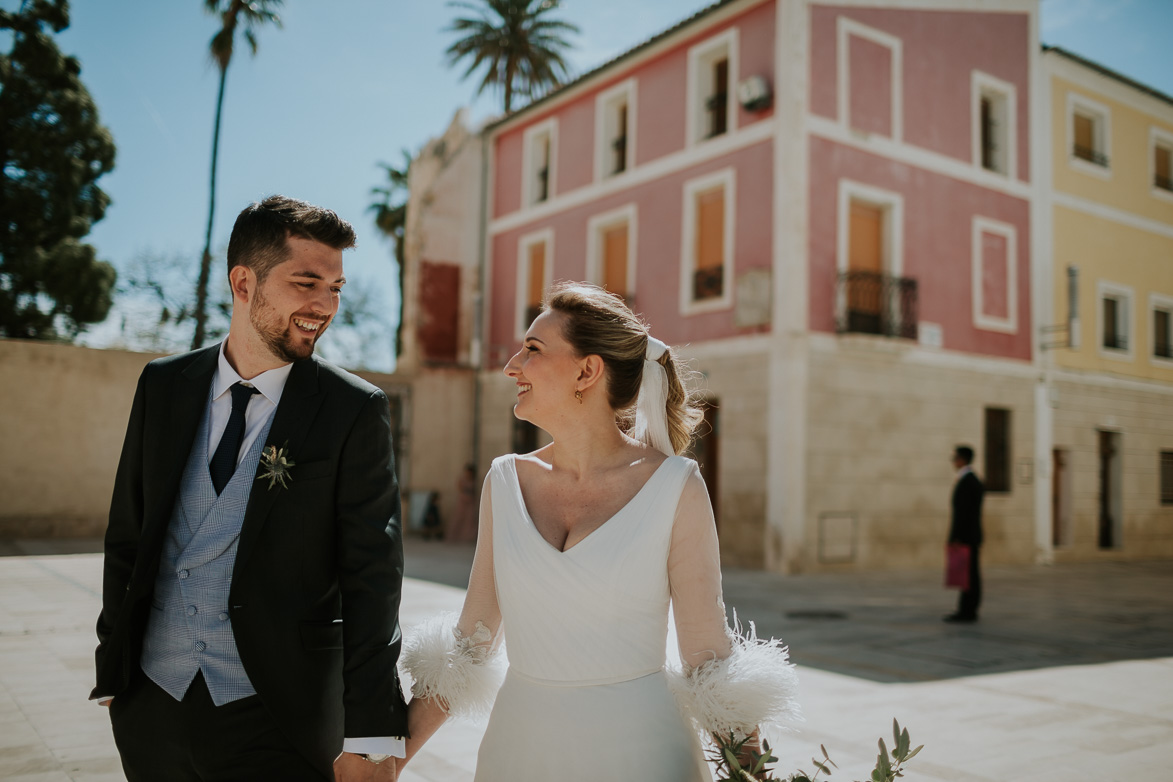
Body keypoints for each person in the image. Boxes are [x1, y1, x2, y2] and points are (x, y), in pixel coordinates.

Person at [395, 282, 799, 781]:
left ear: (587, 371)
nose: (511, 366)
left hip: (644, 754)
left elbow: (707, 657)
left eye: (533, 350)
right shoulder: (504, 481)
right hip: (517, 753)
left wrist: (755, 775)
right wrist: (391, 759)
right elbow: (470, 644)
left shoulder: (676, 486)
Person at [91, 195, 408, 781]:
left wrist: (371, 734)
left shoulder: (353, 409)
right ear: (244, 282)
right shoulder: (163, 385)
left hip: (279, 718)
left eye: (335, 288)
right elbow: (127, 534)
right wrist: (114, 669)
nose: (325, 305)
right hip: (152, 707)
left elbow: (373, 579)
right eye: (307, 282)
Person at [945, 445, 985, 623]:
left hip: (966, 536)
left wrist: (955, 537)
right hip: (971, 535)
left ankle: (967, 611)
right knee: (969, 573)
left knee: (969, 574)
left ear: (962, 459)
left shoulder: (968, 482)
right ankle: (967, 608)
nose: (953, 462)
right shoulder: (972, 480)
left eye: (955, 458)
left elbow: (962, 514)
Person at [446, 464, 479, 543]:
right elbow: (459, 488)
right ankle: (453, 537)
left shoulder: (474, 481)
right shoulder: (462, 479)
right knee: (458, 518)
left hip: (470, 502)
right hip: (462, 501)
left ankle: (467, 538)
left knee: (469, 520)